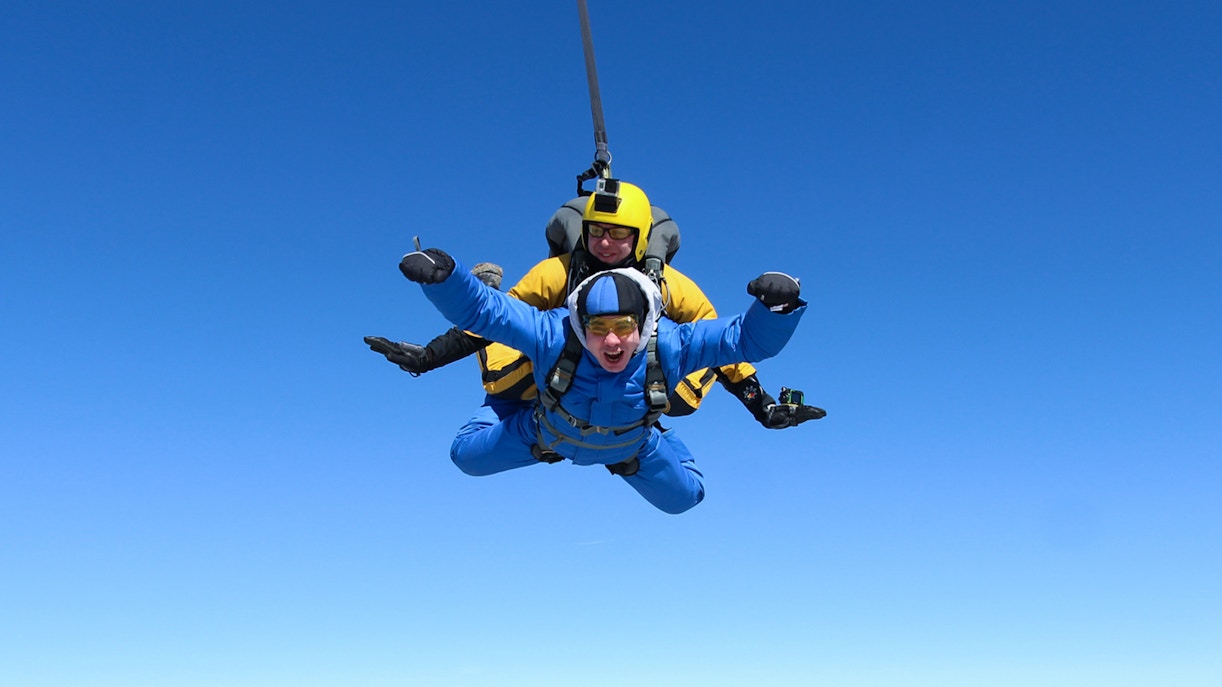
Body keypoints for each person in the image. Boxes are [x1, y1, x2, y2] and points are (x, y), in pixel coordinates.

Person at [366, 180, 825, 427]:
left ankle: (619, 430)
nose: (605, 244)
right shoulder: (560, 272)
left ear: (640, 237)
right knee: (500, 380)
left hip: (641, 389)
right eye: (597, 232)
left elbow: (722, 344)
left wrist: (762, 406)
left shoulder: (666, 285)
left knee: (686, 386)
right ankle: (483, 284)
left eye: (619, 234)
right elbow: (495, 319)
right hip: (564, 378)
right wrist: (429, 356)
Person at [398, 241, 806, 514]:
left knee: (687, 498)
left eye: (624, 326)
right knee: (465, 456)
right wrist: (447, 280)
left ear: (643, 323)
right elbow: (488, 313)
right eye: (598, 326)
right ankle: (504, 407)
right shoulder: (554, 334)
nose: (612, 340)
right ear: (580, 322)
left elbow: (742, 341)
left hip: (630, 446)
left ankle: (660, 437)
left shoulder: (671, 344)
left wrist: (776, 310)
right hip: (545, 434)